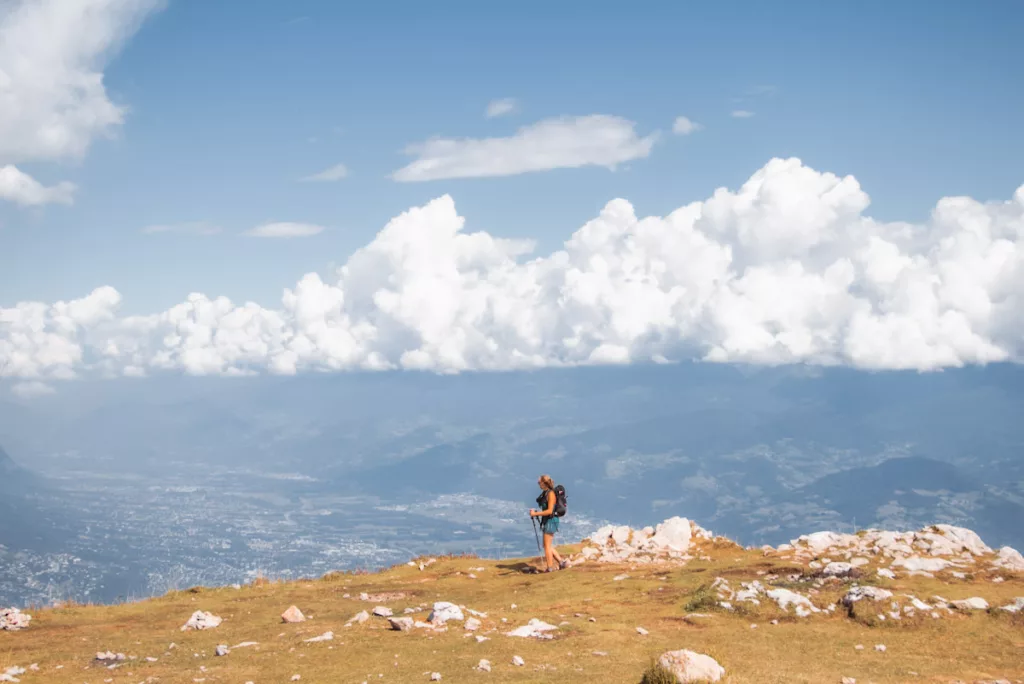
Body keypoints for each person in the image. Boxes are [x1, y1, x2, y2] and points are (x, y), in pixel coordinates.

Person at [529, 474, 568, 572]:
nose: (538, 484)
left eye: (539, 482)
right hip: (549, 520)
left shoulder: (550, 494)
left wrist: (535, 514)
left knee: (546, 546)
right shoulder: (546, 493)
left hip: (551, 520)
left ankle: (549, 567)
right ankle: (561, 562)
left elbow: (550, 511)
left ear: (544, 483)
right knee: (547, 545)